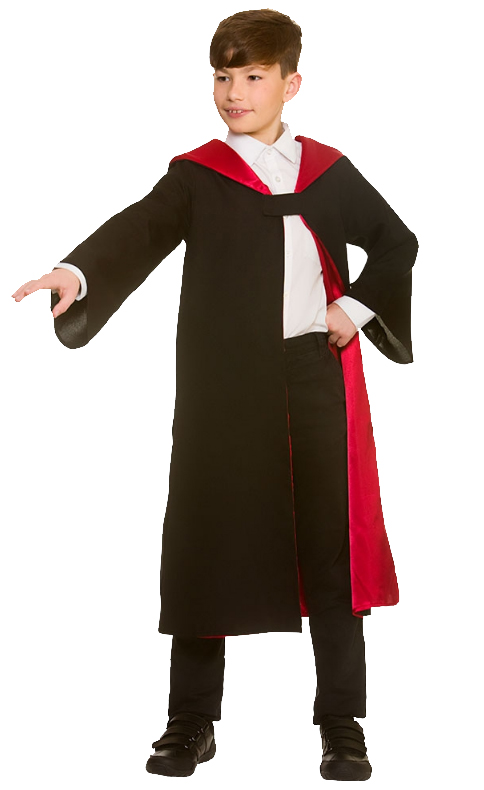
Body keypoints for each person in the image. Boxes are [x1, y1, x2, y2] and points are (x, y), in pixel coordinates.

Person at [11, 8, 418, 782]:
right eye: (223, 77)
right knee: (206, 537)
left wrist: (356, 308)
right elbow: (141, 228)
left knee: (330, 544)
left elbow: (398, 242)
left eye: (254, 76)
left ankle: (342, 724)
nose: (235, 93)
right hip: (225, 384)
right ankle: (189, 722)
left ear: (291, 83)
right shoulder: (199, 175)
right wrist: (77, 271)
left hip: (314, 374)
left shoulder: (328, 171)